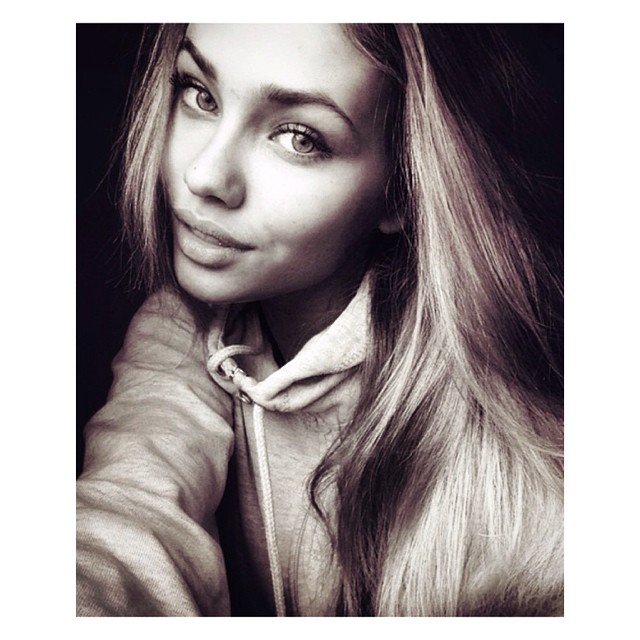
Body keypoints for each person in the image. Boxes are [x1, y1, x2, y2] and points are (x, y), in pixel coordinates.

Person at [76, 23, 564, 617]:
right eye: (200, 94)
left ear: (403, 191)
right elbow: (128, 514)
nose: (203, 176)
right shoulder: (181, 327)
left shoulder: (525, 481)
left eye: (299, 137)